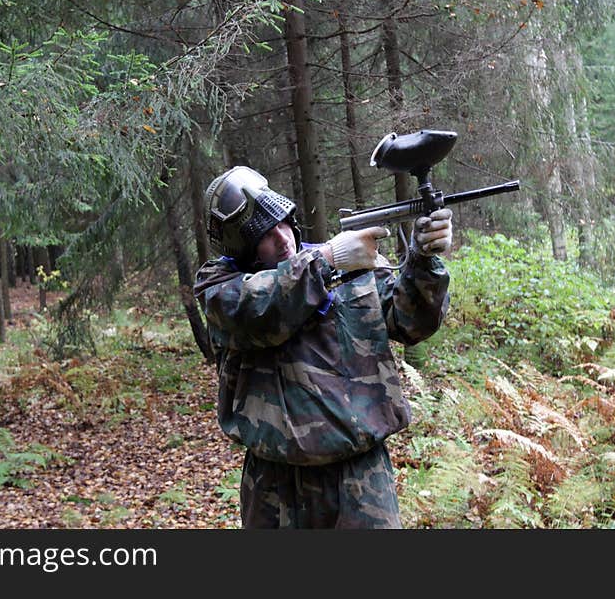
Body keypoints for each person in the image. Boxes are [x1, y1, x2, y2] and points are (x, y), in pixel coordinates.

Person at [193, 165, 451, 528]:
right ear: (243, 248)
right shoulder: (220, 288)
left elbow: (412, 321)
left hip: (360, 481)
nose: (283, 238)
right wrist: (328, 260)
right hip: (275, 488)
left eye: (283, 222)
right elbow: (259, 309)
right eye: (265, 235)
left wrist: (424, 259)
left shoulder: (350, 267)